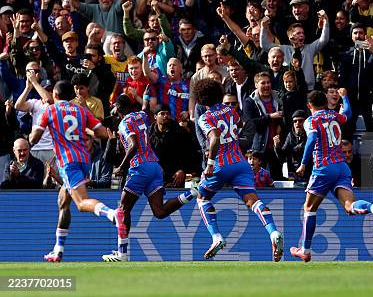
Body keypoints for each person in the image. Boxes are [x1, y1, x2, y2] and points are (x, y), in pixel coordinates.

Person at [290, 89, 373, 263]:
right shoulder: (334, 115)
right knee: (349, 206)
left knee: (309, 208)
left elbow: (312, 139)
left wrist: (304, 163)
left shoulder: (311, 120)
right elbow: (348, 113)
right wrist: (344, 96)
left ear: (309, 106)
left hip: (323, 167)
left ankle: (305, 250)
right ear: (325, 103)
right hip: (342, 167)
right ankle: (372, 208)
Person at [193, 78, 283, 261]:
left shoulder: (205, 118)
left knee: (202, 198)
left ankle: (216, 237)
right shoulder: (231, 111)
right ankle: (273, 232)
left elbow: (215, 137)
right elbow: (242, 126)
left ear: (201, 98)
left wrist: (210, 163)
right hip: (241, 164)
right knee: (253, 201)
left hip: (221, 165)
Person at [29, 81, 119, 263]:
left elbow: (33, 139)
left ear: (54, 94)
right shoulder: (81, 110)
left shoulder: (50, 110)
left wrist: (35, 132)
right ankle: (58, 250)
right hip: (84, 160)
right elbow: (102, 133)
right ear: (71, 95)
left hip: (67, 162)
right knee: (63, 201)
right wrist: (82, 131)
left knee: (81, 203)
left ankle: (113, 214)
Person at [101, 95, 198, 262]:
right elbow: (146, 109)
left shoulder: (124, 124)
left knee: (123, 211)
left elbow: (133, 145)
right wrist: (145, 97)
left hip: (140, 167)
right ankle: (192, 193)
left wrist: (121, 167)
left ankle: (122, 254)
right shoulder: (141, 115)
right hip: (154, 166)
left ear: (117, 108)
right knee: (159, 211)